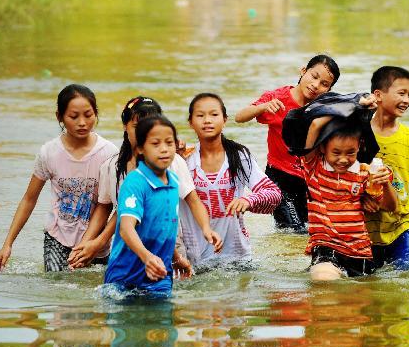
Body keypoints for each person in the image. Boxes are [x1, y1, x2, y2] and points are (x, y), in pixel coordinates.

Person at [69, 96, 219, 273]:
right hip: (128, 246)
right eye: (137, 127)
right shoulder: (112, 167)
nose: (144, 134)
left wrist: (206, 228)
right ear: (125, 126)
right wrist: (86, 244)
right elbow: (105, 207)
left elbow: (193, 200)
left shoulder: (174, 163)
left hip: (169, 247)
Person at [0, 84, 118, 273]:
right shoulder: (49, 153)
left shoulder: (108, 153)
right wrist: (8, 244)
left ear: (96, 114)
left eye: (88, 114)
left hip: (96, 242)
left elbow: (109, 203)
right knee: (59, 289)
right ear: (59, 117)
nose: (82, 122)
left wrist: (90, 243)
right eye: (73, 116)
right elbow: (29, 199)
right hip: (57, 238)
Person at [103, 114, 221, 297]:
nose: (164, 149)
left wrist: (175, 259)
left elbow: (163, 229)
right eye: (155, 144)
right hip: (124, 278)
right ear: (141, 148)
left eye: (169, 143)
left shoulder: (173, 182)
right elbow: (126, 229)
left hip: (160, 277)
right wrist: (147, 257)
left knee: (164, 324)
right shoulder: (135, 183)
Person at [235, 54, 340, 233]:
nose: (316, 85)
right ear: (303, 71)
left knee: (311, 229)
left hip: (308, 180)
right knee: (294, 230)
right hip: (278, 178)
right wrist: (262, 107)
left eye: (324, 84)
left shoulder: (323, 108)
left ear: (329, 89)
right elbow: (239, 117)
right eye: (314, 76)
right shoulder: (277, 99)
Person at [180, 92, 282, 270]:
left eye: (214, 114)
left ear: (225, 120)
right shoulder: (183, 160)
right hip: (194, 259)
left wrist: (248, 200)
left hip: (238, 257)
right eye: (200, 115)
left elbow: (274, 194)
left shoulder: (238, 156)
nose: (207, 120)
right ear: (191, 122)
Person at [301, 113, 396, 281]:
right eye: (336, 153)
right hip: (326, 246)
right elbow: (315, 125)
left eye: (350, 153)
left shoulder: (365, 172)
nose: (343, 159)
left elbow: (391, 207)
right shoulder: (314, 167)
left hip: (360, 251)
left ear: (359, 146)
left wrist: (386, 184)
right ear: (322, 148)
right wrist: (353, 111)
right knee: (323, 278)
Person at [365, 66, 409, 270]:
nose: (407, 100)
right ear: (378, 95)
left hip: (402, 226)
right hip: (363, 230)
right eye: (401, 93)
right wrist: (362, 196)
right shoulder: (356, 134)